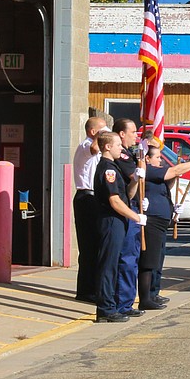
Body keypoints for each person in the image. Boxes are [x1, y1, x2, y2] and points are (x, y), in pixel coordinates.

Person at [136, 143, 190, 309]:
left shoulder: (156, 172)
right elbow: (174, 171)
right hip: (151, 220)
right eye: (158, 157)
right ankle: (145, 299)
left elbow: (168, 183)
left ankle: (153, 294)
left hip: (161, 221)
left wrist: (172, 208)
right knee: (149, 261)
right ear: (147, 158)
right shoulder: (148, 170)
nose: (160, 161)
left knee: (157, 260)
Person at [92, 130, 147, 323]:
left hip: (119, 220)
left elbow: (127, 196)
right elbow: (114, 201)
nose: (121, 148)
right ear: (107, 147)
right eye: (117, 145)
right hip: (111, 220)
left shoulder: (114, 167)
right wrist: (136, 217)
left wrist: (135, 180)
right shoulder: (107, 169)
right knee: (108, 265)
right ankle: (106, 308)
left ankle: (115, 305)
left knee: (116, 264)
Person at [72, 116, 108, 303]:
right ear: (93, 132)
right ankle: (86, 290)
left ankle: (94, 287)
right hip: (86, 196)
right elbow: (93, 148)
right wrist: (99, 137)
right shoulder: (86, 146)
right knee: (89, 246)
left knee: (98, 245)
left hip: (96, 197)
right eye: (102, 130)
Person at [112, 118, 144, 318]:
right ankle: (123, 303)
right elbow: (133, 175)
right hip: (124, 211)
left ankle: (127, 302)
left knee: (132, 259)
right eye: (132, 132)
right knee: (127, 260)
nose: (136, 135)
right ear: (122, 134)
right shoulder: (122, 156)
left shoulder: (128, 154)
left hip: (131, 205)